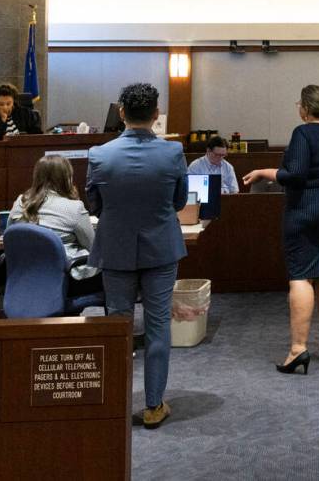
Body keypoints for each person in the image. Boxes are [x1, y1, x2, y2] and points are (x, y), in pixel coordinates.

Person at [86, 83, 187, 429]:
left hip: (114, 249)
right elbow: (178, 202)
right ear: (156, 115)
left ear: (121, 113)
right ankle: (154, 406)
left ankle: (115, 401)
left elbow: (94, 205)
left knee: (118, 326)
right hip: (161, 249)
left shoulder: (99, 155)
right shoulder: (173, 153)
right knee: (158, 327)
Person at [242, 85, 319, 375]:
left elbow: (294, 176)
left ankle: (297, 349)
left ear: (305, 108)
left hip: (306, 209)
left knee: (301, 276)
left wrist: (264, 172)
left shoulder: (303, 133)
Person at [8, 155, 102, 296]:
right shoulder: (74, 208)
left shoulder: (20, 202)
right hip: (66, 279)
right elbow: (94, 248)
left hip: (27, 275)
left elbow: (9, 234)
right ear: (66, 178)